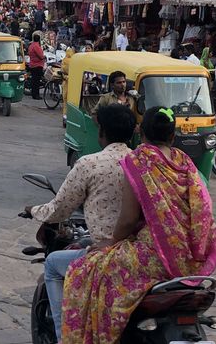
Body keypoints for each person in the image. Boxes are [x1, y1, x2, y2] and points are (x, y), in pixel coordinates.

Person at [61, 107, 216, 344]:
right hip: (192, 257)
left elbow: (127, 219)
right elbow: (202, 208)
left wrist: (109, 243)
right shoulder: (184, 161)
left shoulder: (138, 161)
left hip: (154, 257)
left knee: (82, 270)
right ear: (173, 136)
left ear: (141, 133)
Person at [26, 104, 135, 342]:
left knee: (53, 264)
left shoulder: (90, 164)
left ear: (101, 132)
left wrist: (32, 210)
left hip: (107, 252)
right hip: (141, 251)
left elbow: (60, 208)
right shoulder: (142, 163)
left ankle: (63, 334)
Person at [27, 32, 46, 100]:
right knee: (36, 81)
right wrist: (44, 57)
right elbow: (41, 56)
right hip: (37, 65)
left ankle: (34, 94)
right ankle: (36, 95)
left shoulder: (31, 45)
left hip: (32, 64)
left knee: (34, 81)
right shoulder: (36, 46)